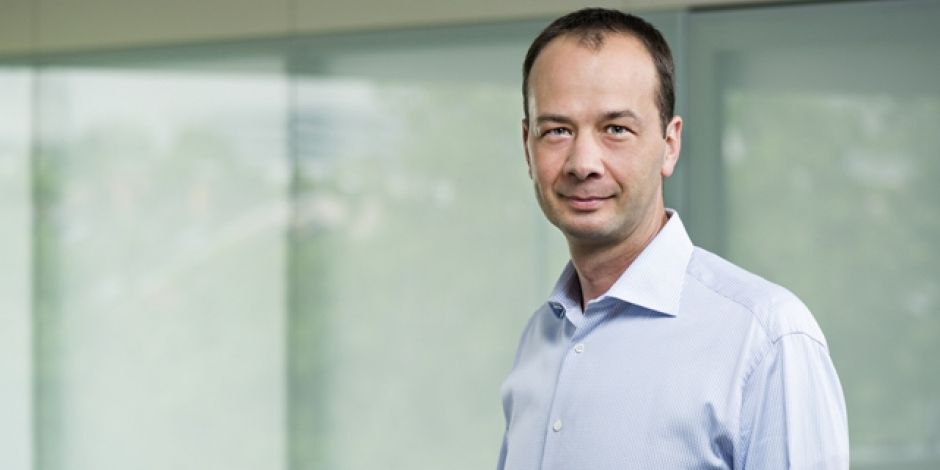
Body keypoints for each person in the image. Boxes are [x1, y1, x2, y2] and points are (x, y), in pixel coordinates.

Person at [497, 8, 849, 469]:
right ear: (528, 145)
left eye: (616, 129)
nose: (583, 163)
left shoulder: (766, 339)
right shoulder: (539, 339)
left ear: (669, 144)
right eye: (557, 130)